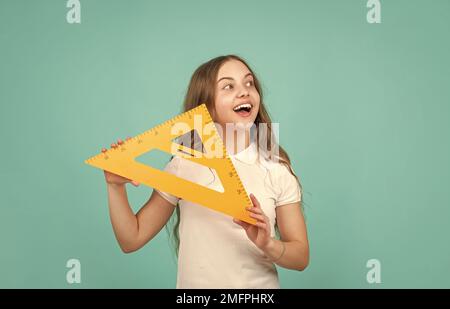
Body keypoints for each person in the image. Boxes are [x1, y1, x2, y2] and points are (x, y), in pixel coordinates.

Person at [101, 55, 309, 288]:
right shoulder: (183, 166)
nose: (244, 92)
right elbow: (132, 239)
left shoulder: (276, 170)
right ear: (206, 107)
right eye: (228, 86)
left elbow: (300, 257)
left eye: (249, 83)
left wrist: (268, 243)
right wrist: (115, 186)